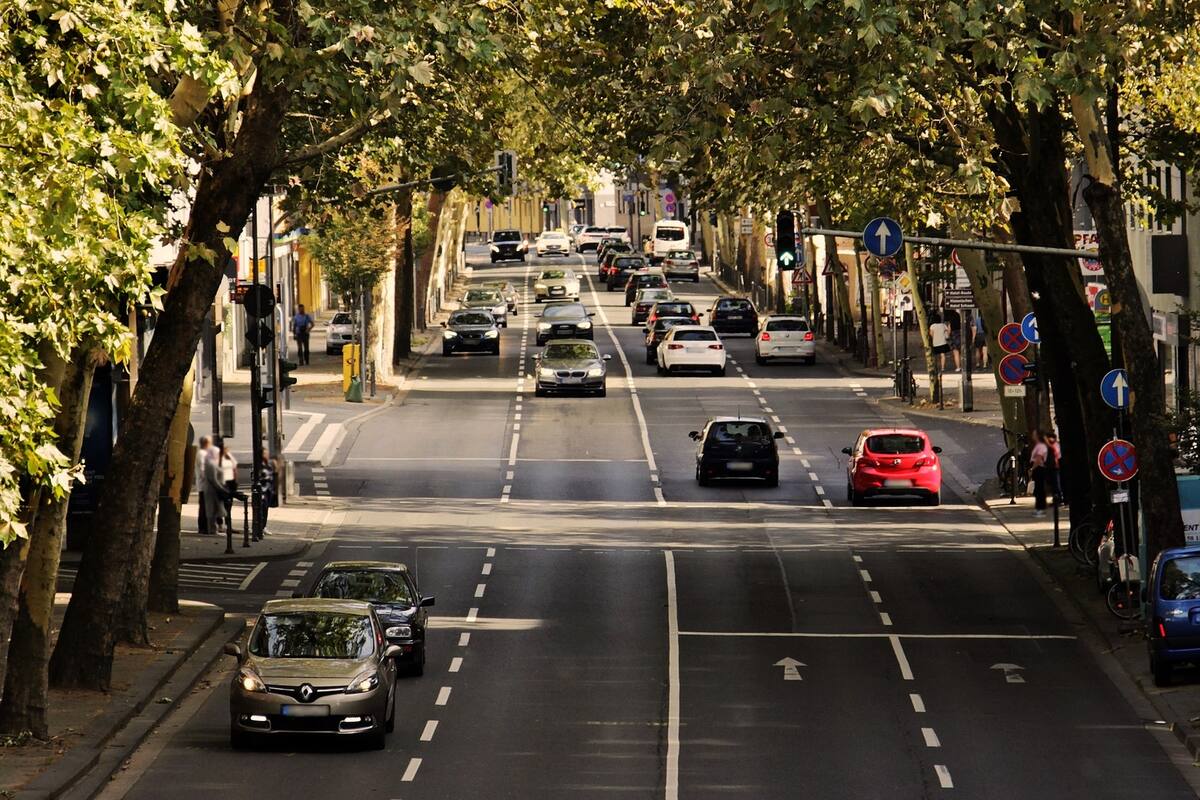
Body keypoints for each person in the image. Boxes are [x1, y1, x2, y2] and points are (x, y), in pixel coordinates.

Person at [202, 440, 228, 536]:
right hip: (212, 490)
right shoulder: (210, 464)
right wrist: (221, 488)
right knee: (211, 509)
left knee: (215, 509)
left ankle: (214, 528)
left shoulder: (213, 463)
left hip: (215, 489)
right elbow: (213, 479)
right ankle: (212, 529)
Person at [217, 439, 239, 534]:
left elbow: (235, 464)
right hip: (221, 483)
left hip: (230, 483)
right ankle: (220, 525)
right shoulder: (217, 459)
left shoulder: (227, 458)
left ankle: (228, 525)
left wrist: (228, 454)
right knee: (220, 505)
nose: (226, 450)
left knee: (228, 505)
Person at [1029, 429, 1049, 517]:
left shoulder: (1041, 446)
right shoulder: (1039, 445)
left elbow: (1038, 458)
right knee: (1038, 489)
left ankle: (1041, 509)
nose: (1033, 436)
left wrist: (1032, 468)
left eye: (1034, 434)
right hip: (1038, 469)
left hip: (1039, 469)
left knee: (1039, 489)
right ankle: (1039, 508)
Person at [258, 448, 278, 536]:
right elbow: (257, 477)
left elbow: (273, 475)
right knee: (261, 509)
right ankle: (259, 528)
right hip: (262, 490)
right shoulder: (258, 465)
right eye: (266, 453)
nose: (267, 455)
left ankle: (263, 527)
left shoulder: (268, 464)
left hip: (268, 490)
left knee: (265, 509)